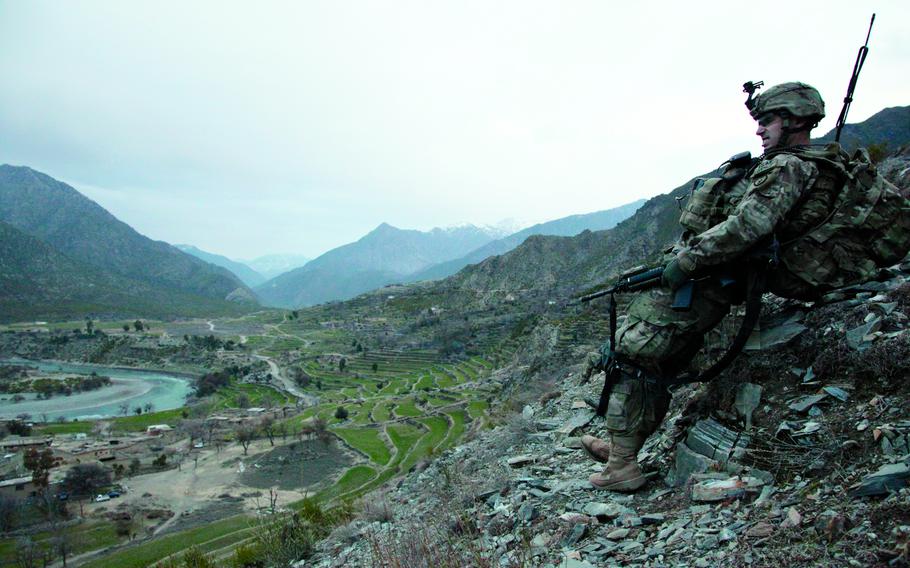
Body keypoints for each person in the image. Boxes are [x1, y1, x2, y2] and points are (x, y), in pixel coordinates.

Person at [581, 82, 851, 492]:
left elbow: (748, 226)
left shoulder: (789, 167)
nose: (760, 131)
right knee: (653, 364)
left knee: (634, 356)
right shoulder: (798, 163)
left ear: (794, 120)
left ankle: (622, 465)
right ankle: (623, 448)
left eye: (768, 121)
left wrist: (686, 262)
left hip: (713, 279)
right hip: (715, 276)